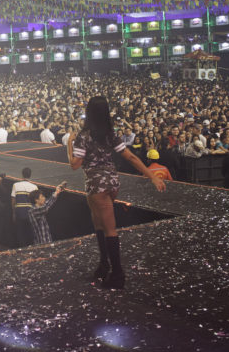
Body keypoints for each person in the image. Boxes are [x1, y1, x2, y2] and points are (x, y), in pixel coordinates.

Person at [68, 95, 166, 289]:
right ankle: (104, 266)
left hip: (96, 185)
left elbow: (74, 164)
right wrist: (152, 176)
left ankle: (117, 274)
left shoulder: (83, 136)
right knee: (99, 222)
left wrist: (69, 145)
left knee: (108, 228)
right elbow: (130, 157)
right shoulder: (110, 134)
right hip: (112, 182)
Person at [11, 167, 38, 248]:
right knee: (30, 235)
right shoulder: (34, 187)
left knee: (20, 235)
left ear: (22, 175)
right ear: (30, 175)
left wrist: (13, 213)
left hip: (19, 213)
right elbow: (36, 203)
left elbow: (13, 201)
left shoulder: (15, 185)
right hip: (31, 214)